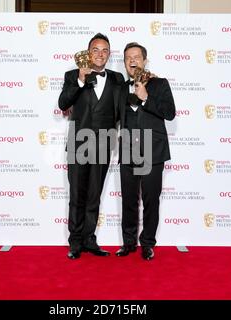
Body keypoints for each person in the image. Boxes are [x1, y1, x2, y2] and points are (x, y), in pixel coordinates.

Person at [58, 33, 124, 259]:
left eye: (105, 50)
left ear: (109, 54)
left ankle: (89, 239)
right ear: (88, 54)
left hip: (104, 143)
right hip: (79, 143)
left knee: (94, 194)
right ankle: (75, 241)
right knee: (77, 194)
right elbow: (63, 103)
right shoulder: (72, 75)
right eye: (95, 49)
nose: (100, 54)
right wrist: (79, 80)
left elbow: (122, 110)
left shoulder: (117, 79)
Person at [116, 42, 175, 260]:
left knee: (151, 200)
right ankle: (128, 243)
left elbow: (170, 113)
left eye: (137, 57)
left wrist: (146, 98)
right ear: (124, 63)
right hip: (128, 150)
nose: (133, 60)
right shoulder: (120, 88)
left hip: (153, 150)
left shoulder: (159, 84)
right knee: (129, 200)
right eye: (128, 58)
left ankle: (148, 243)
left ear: (145, 60)